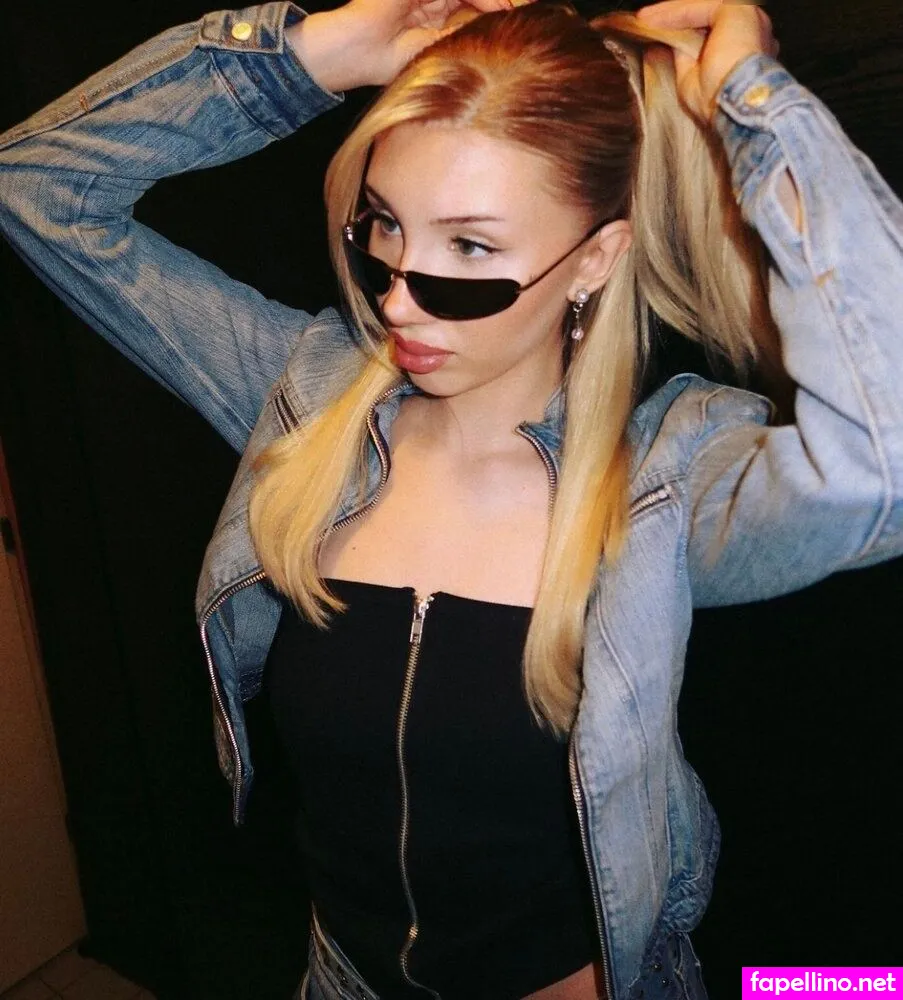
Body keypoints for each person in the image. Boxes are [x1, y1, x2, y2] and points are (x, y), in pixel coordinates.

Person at [1, 0, 901, 997]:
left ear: (596, 259)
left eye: (469, 249)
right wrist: (309, 54)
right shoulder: (303, 403)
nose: (396, 298)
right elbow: (34, 188)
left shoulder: (665, 483)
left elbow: (883, 467)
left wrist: (758, 108)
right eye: (386, 226)